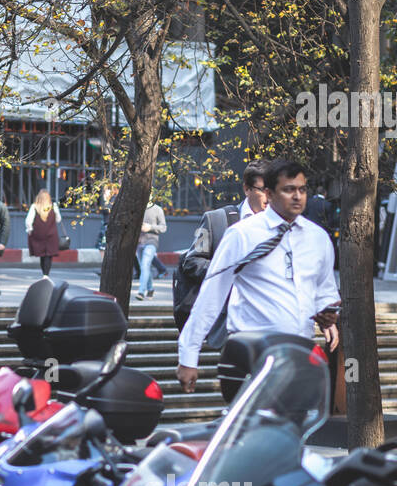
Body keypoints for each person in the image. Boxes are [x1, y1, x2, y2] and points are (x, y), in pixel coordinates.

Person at [176, 159, 340, 392]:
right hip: (250, 353)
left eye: (302, 190)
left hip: (300, 353)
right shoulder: (242, 234)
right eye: (288, 190)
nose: (297, 196)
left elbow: (325, 290)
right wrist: (189, 356)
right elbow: (210, 296)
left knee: (296, 425)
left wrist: (327, 313)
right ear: (270, 193)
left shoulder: (318, 238)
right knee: (251, 426)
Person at [172, 161, 270, 332]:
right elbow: (192, 261)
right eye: (263, 190)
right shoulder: (217, 219)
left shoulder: (283, 225)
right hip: (225, 321)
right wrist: (229, 272)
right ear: (247, 189)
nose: (269, 197)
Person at [25, 189, 61, 277]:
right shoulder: (53, 206)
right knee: (49, 255)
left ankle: (44, 272)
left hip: (38, 234)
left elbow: (28, 221)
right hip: (51, 235)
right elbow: (58, 219)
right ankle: (46, 274)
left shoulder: (34, 207)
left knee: (42, 255)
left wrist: (29, 230)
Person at [137, 198, 167, 299]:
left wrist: (150, 227)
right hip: (139, 242)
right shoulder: (137, 208)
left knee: (145, 264)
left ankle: (141, 291)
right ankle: (150, 289)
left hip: (152, 241)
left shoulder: (157, 209)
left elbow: (163, 227)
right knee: (144, 267)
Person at [97, 183, 119, 249]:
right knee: (102, 246)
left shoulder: (114, 199)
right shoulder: (108, 200)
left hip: (109, 225)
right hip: (106, 224)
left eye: (106, 190)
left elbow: (108, 210)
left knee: (104, 245)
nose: (104, 192)